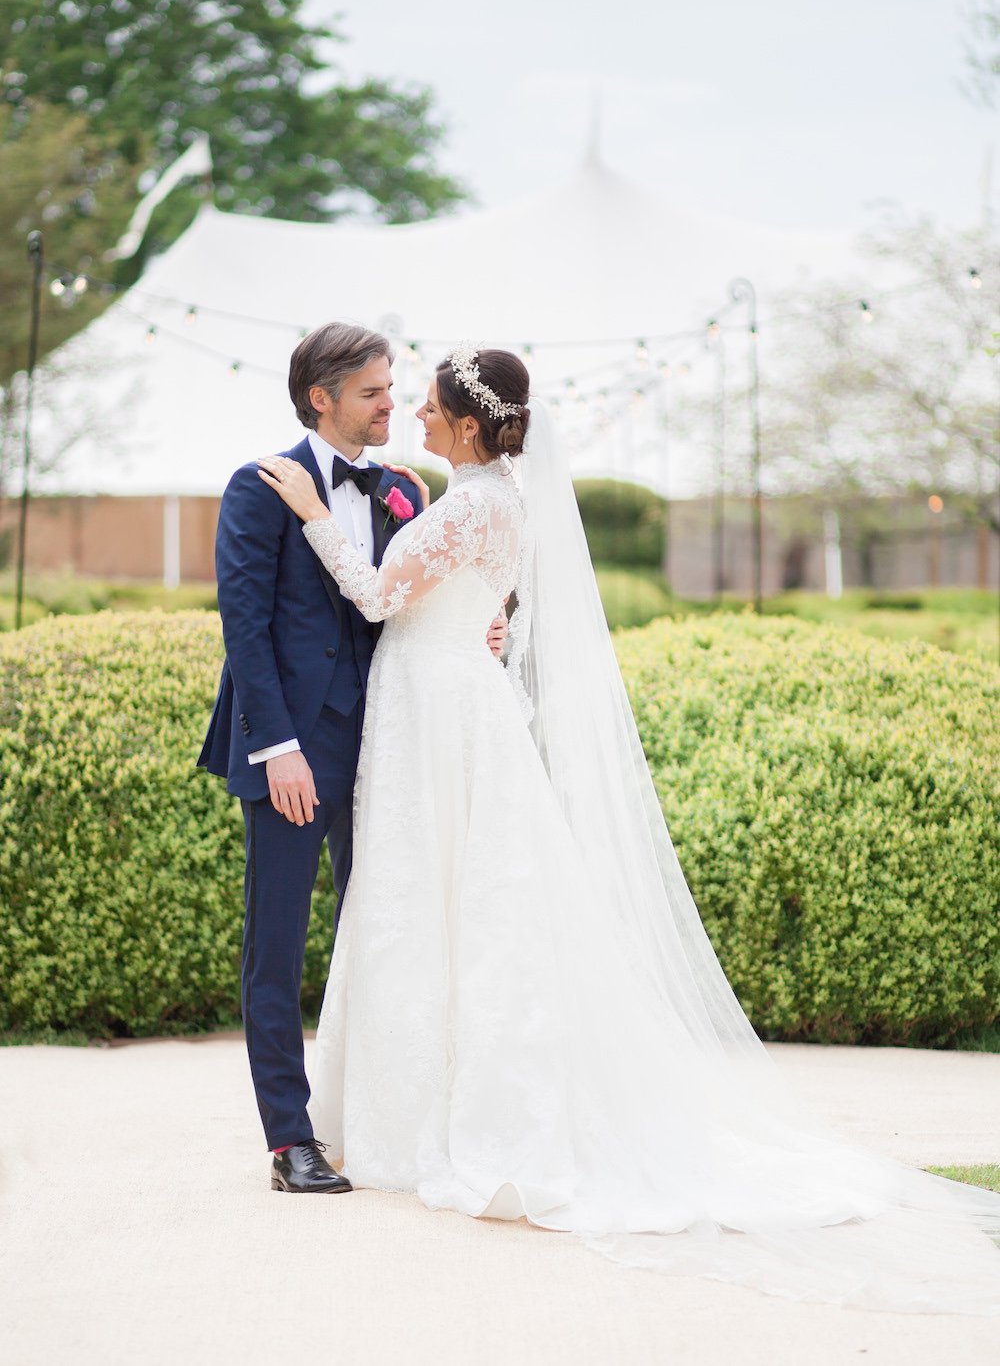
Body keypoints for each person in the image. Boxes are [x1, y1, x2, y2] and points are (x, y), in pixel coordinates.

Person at [256, 344, 1000, 1312]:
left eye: (430, 407)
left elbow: (375, 595)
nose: (417, 416)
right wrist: (481, 611)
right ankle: (417, 1101)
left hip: (439, 718)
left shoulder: (473, 504)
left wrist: (315, 516)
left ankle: (434, 1114)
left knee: (444, 901)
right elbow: (486, 601)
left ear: (469, 426)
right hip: (444, 706)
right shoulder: (490, 498)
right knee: (446, 902)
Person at [198, 323, 507, 1194]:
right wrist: (278, 748)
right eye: (372, 392)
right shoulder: (261, 486)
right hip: (294, 753)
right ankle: (289, 1141)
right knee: (276, 945)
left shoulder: (404, 490)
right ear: (321, 397)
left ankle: (378, 1122)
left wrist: (485, 620)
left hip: (393, 749)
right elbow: (245, 628)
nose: (390, 406)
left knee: (384, 936)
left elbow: (418, 594)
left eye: (391, 389)